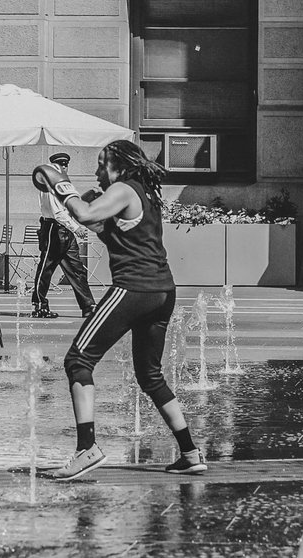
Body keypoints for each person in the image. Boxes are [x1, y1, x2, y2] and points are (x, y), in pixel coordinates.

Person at [32, 139, 207, 479]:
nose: (98, 170)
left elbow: (83, 214)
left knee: (78, 360)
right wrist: (71, 198)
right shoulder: (143, 195)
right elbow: (93, 222)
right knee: (150, 375)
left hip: (134, 288)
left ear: (120, 166)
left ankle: (87, 449)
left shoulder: (125, 188)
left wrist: (56, 180)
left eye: (102, 163)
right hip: (162, 291)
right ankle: (190, 452)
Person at [32, 152, 96, 319]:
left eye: (65, 165)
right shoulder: (49, 186)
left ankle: (88, 306)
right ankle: (39, 305)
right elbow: (58, 213)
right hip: (54, 229)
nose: (64, 168)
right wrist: (76, 228)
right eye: (60, 165)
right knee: (46, 269)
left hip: (64, 231)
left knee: (77, 270)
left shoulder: (63, 184)